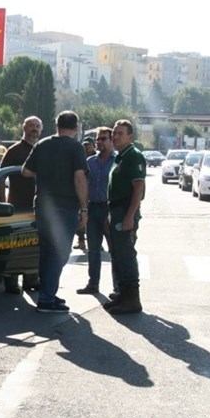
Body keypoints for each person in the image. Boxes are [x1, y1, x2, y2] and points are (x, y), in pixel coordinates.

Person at [22, 111, 88, 313]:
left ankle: (47, 292)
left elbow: (25, 171)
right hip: (65, 207)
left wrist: (46, 170)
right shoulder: (76, 148)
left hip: (42, 205)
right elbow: (79, 179)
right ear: (76, 128)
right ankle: (46, 299)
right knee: (59, 253)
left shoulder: (43, 145)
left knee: (48, 252)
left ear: (56, 125)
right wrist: (84, 208)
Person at [104, 119, 146, 315]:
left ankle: (132, 299)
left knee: (126, 255)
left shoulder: (133, 156)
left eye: (120, 133)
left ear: (130, 137)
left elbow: (138, 188)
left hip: (125, 211)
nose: (115, 136)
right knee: (118, 255)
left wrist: (129, 216)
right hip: (116, 210)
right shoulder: (120, 157)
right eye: (114, 133)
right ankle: (123, 295)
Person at [0, 115, 43, 294]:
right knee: (14, 246)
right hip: (16, 208)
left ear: (41, 130)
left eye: (37, 126)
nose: (34, 129)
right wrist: (2, 202)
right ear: (24, 129)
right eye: (31, 126)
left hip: (37, 208)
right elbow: (1, 177)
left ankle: (31, 279)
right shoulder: (14, 151)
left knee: (34, 245)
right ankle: (11, 281)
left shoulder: (42, 149)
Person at [76, 127, 116, 295]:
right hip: (92, 209)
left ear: (111, 141)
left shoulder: (118, 161)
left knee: (114, 250)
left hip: (110, 209)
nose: (99, 142)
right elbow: (82, 184)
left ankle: (118, 288)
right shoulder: (90, 162)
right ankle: (93, 284)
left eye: (103, 139)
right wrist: (83, 210)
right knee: (93, 250)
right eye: (98, 139)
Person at [73, 137, 97, 252]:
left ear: (93, 146)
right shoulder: (80, 158)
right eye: (85, 145)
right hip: (82, 193)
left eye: (88, 145)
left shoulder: (97, 158)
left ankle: (97, 242)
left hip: (94, 193)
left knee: (94, 219)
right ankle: (81, 240)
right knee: (81, 217)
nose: (86, 147)